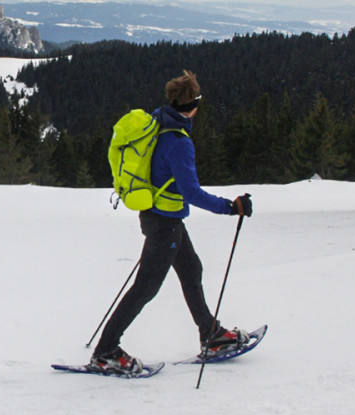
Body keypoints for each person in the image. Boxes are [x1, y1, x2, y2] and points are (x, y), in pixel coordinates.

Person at [90, 70, 253, 375]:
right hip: (164, 223)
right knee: (145, 288)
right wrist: (232, 208)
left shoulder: (157, 122)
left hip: (162, 218)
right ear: (194, 106)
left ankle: (211, 334)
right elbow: (191, 192)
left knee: (192, 270)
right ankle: (106, 352)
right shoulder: (178, 142)